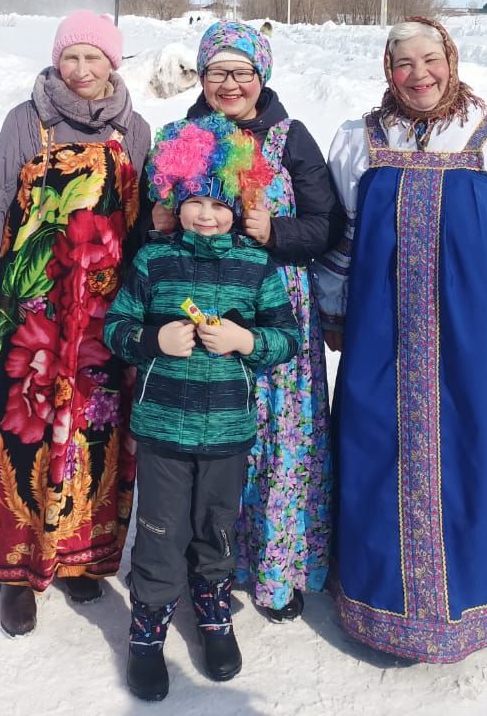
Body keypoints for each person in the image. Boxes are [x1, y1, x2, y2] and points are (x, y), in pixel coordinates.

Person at [315, 16, 487, 663]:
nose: (418, 74)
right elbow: (341, 237)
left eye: (430, 59)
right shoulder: (361, 140)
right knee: (376, 454)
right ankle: (379, 601)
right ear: (387, 70)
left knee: (476, 458)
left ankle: (479, 599)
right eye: (403, 63)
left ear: (451, 61)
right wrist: (332, 308)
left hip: (473, 343)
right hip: (381, 339)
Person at [0, 10, 151, 636]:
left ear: (113, 63)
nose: (83, 71)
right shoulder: (26, 121)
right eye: (72, 58)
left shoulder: (134, 130)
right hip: (27, 314)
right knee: (15, 436)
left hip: (99, 319)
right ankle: (14, 574)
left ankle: (77, 559)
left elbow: (142, 228)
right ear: (57, 61)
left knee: (94, 437)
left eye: (95, 58)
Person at [105, 114, 299, 701]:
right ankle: (147, 626)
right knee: (161, 532)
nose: (207, 215)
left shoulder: (255, 265)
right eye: (194, 201)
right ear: (174, 197)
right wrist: (150, 341)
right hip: (163, 429)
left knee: (216, 527)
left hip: (228, 433)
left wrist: (247, 343)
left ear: (239, 203)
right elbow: (116, 326)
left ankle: (214, 609)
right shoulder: (152, 261)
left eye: (219, 203)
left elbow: (285, 336)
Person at [154, 20, 343, 620]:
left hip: (273, 308)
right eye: (216, 72)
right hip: (200, 308)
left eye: (242, 72)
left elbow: (329, 224)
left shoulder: (291, 139)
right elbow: (152, 222)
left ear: (262, 76)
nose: (229, 84)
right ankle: (203, 566)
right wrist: (156, 220)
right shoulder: (183, 135)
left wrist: (277, 232)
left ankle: (275, 566)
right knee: (204, 439)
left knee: (279, 439)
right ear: (201, 77)